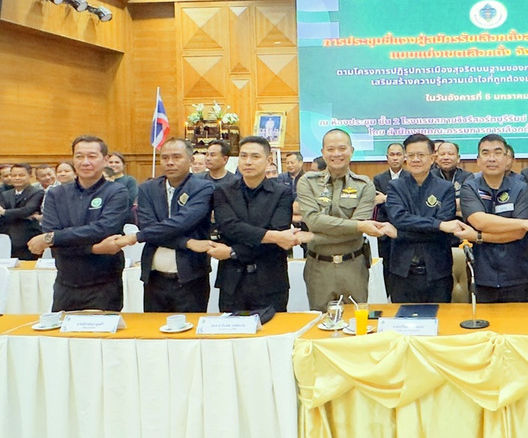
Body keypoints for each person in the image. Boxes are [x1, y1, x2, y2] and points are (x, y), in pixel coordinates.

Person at [107, 139, 215, 312]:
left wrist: (138, 237)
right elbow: (147, 225)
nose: (170, 162)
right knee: (153, 326)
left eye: (176, 157)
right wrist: (187, 243)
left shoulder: (204, 188)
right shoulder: (148, 188)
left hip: (191, 276)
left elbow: (182, 223)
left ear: (191, 160)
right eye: (165, 158)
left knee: (190, 326)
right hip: (154, 277)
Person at [459, 134, 528, 303]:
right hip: (484, 275)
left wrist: (478, 236)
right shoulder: (469, 188)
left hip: (517, 275)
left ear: (507, 159)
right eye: (485, 153)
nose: (492, 158)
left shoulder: (521, 188)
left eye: (497, 153)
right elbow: (479, 221)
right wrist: (525, 223)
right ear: (478, 160)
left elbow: (518, 233)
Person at [28, 136, 129, 311]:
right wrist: (94, 248)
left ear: (105, 160)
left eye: (92, 156)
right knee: (61, 329)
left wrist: (54, 237)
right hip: (65, 282)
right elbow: (54, 241)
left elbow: (103, 229)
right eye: (79, 156)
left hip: (104, 283)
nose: (85, 162)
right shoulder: (56, 194)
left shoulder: (117, 192)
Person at [207, 135, 298, 312]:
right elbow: (229, 228)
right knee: (231, 329)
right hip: (232, 281)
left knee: (273, 328)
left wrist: (233, 252)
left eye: (255, 156)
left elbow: (278, 237)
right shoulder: (223, 191)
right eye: (243, 156)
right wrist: (273, 236)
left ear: (268, 160)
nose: (248, 162)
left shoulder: (282, 193)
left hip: (270, 280)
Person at [297, 129, 384, 311]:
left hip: (353, 266)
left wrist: (313, 237)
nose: (336, 154)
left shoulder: (365, 185)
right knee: (321, 322)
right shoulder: (307, 182)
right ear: (323, 152)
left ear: (351, 151)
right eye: (330, 149)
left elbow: (358, 231)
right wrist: (357, 226)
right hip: (318, 267)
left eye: (342, 148)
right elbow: (314, 221)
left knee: (356, 320)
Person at [385, 134, 467, 303]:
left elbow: (442, 232)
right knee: (402, 318)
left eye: (421, 155)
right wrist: (438, 224)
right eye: (411, 155)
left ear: (432, 158)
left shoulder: (446, 188)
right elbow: (399, 219)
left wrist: (400, 233)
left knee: (440, 317)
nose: (415, 159)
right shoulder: (395, 187)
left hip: (438, 272)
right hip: (402, 272)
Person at [373, 142, 405, 293]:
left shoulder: (410, 177)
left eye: (398, 154)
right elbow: (376, 203)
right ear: (387, 157)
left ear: (404, 157)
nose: (395, 158)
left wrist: (386, 198)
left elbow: (407, 203)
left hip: (403, 229)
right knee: (386, 268)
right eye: (392, 155)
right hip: (384, 229)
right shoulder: (378, 179)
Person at [0, 164, 44, 259]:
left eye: (21, 175)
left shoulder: (37, 192)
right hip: (8, 238)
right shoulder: (5, 194)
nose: (17, 178)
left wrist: (5, 212)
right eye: (14, 175)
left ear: (30, 176)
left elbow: (27, 210)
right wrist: (18, 213)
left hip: (28, 239)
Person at [106, 152, 138, 216]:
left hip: (123, 216)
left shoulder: (129, 180)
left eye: (117, 162)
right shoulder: (102, 180)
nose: (113, 165)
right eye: (110, 162)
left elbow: (129, 202)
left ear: (123, 165)